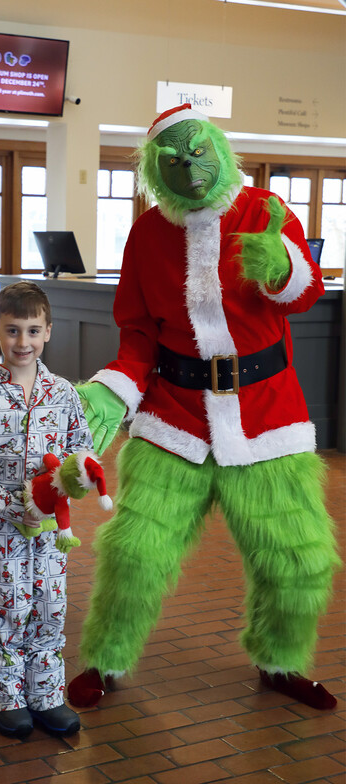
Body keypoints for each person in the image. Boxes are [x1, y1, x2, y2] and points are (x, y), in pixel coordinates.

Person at [67, 104, 339, 712]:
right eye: (173, 161)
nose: (189, 169)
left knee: (299, 559)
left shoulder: (265, 210)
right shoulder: (147, 233)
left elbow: (305, 293)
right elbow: (137, 335)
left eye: (198, 153)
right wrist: (112, 393)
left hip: (268, 417)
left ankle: (281, 662)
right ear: (153, 171)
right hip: (175, 418)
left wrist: (283, 268)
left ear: (218, 147)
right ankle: (107, 660)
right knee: (135, 551)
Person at [0, 280, 98, 738]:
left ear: (49, 332)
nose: (24, 342)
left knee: (49, 607)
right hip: (5, 531)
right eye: (13, 331)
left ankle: (46, 694)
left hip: (53, 533)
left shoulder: (63, 394)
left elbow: (82, 449)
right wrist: (8, 507)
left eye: (33, 331)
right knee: (9, 609)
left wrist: (75, 480)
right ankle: (8, 698)